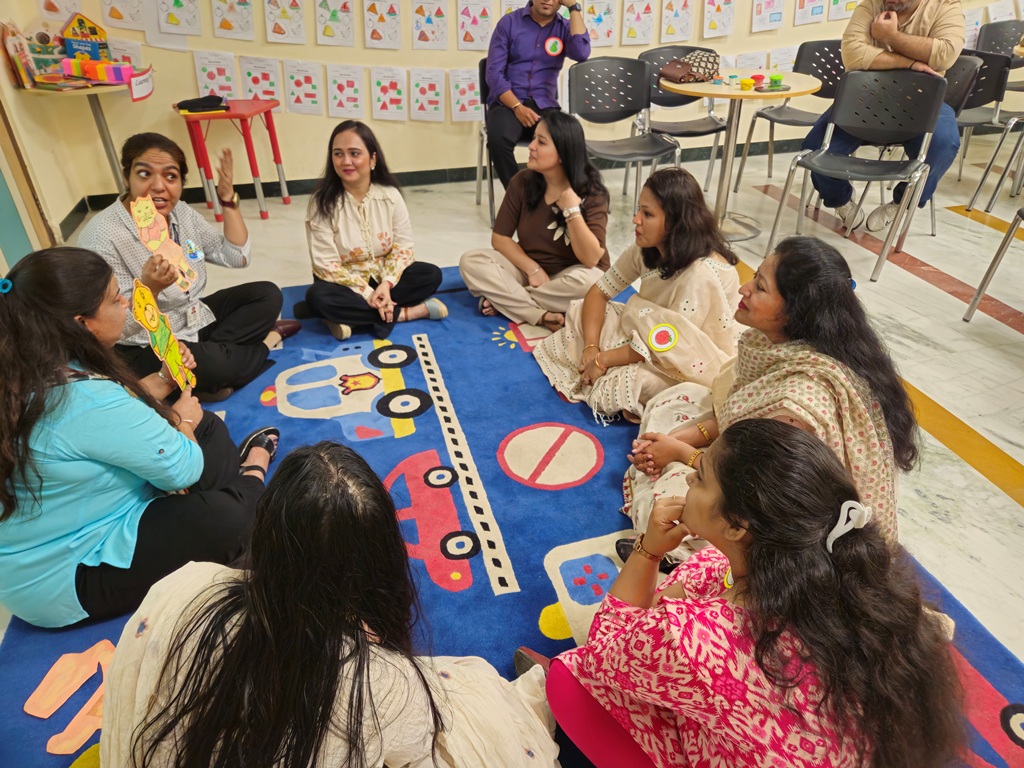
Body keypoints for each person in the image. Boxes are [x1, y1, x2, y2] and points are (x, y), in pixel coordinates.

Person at [101, 441, 559, 768]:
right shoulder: (382, 682)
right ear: (383, 560)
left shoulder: (184, 584)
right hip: (376, 684)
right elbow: (415, 750)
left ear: (267, 533)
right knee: (475, 688)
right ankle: (549, 689)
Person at [553, 419, 964, 768]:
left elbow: (602, 648)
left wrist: (648, 551)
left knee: (568, 678)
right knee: (702, 577)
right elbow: (703, 582)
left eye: (700, 478)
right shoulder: (842, 578)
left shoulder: (687, 638)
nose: (689, 480)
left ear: (736, 526)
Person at [0, 248, 278, 629]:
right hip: (67, 575)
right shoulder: (82, 399)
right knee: (227, 511)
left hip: (59, 542)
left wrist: (164, 380)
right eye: (116, 298)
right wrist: (183, 419)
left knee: (206, 429)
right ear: (82, 324)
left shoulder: (29, 366)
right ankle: (253, 478)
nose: (126, 303)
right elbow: (182, 468)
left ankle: (236, 502)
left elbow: (108, 413)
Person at [623, 236, 918, 562]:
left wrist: (681, 453)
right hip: (749, 468)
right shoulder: (784, 344)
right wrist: (686, 437)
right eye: (755, 277)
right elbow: (739, 413)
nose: (744, 289)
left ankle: (677, 557)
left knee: (670, 505)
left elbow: (754, 498)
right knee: (676, 398)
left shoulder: (795, 406)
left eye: (760, 287)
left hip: (782, 527)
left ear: (795, 311)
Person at [79, 132, 298, 401]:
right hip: (145, 343)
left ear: (181, 183)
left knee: (267, 294)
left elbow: (236, 257)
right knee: (218, 365)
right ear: (127, 177)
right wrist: (149, 290)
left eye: (170, 176)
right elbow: (111, 329)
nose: (159, 186)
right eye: (145, 174)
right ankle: (262, 345)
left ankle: (207, 369)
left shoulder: (181, 213)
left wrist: (228, 200)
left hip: (192, 318)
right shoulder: (102, 236)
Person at [534, 168, 740, 422]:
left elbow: (669, 346)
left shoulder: (700, 274)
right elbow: (598, 292)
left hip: (687, 362)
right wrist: (591, 347)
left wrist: (602, 359)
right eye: (639, 210)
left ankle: (627, 390)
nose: (636, 220)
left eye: (647, 214)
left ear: (676, 222)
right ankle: (617, 384)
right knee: (580, 313)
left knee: (636, 381)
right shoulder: (646, 248)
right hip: (649, 340)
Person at [801, 0, 964, 232]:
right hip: (864, 97)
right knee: (814, 147)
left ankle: (902, 202)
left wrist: (891, 37)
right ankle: (841, 201)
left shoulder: (944, 6)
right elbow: (853, 55)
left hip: (922, 100)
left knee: (944, 144)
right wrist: (912, 64)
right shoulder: (870, 5)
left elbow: (945, 55)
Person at [295, 120, 447, 341]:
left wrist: (386, 285)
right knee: (318, 297)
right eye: (338, 154)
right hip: (344, 284)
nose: (346, 161)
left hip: (383, 278)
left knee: (430, 275)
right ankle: (406, 313)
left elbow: (403, 248)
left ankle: (351, 318)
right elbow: (326, 265)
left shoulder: (390, 196)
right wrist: (368, 293)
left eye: (354, 153)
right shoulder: (322, 202)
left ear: (373, 159)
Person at [460, 111, 610, 333]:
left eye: (541, 142)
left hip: (572, 276)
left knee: (592, 283)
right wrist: (533, 269)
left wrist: (572, 210)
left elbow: (591, 259)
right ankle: (537, 312)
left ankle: (507, 301)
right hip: (528, 270)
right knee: (471, 261)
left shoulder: (593, 191)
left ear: (563, 153)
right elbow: (500, 238)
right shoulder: (522, 181)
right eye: (533, 139)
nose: (531, 147)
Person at [485, 0, 590, 189]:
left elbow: (582, 53)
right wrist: (517, 107)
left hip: (545, 105)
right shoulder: (509, 23)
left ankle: (558, 196)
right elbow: (494, 74)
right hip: (508, 104)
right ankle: (519, 196)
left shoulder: (564, 28)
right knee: (498, 141)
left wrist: (574, 7)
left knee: (569, 137)